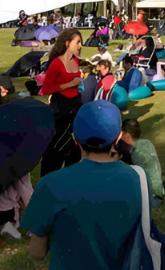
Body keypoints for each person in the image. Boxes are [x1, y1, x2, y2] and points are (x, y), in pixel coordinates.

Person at [21, 100, 142, 268]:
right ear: (118, 138)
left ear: (75, 139)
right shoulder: (138, 178)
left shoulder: (49, 184)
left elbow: (37, 251)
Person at [39, 28, 85, 177]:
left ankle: (70, 179)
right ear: (67, 43)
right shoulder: (56, 63)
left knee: (75, 149)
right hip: (60, 110)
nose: (80, 46)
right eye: (77, 42)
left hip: (75, 107)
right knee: (56, 149)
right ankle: (49, 179)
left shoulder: (77, 61)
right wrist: (69, 84)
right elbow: (46, 89)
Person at [118, 118, 165, 208]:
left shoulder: (140, 147)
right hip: (154, 196)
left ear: (125, 134)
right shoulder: (145, 144)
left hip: (150, 198)